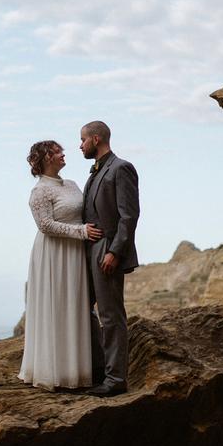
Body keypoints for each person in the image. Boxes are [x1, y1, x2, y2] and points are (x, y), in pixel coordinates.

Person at [21, 140, 102, 389]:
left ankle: (77, 370)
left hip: (76, 252)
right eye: (57, 152)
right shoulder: (40, 191)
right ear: (46, 158)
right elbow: (45, 226)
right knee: (56, 306)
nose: (63, 154)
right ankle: (54, 371)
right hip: (54, 253)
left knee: (76, 306)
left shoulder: (73, 184)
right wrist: (81, 232)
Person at [79, 120, 140, 397]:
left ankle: (115, 380)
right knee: (81, 310)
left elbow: (129, 215)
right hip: (88, 250)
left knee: (111, 315)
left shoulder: (121, 168)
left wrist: (115, 251)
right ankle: (98, 370)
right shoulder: (93, 173)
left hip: (108, 248)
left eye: (82, 140)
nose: (80, 145)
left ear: (95, 138)